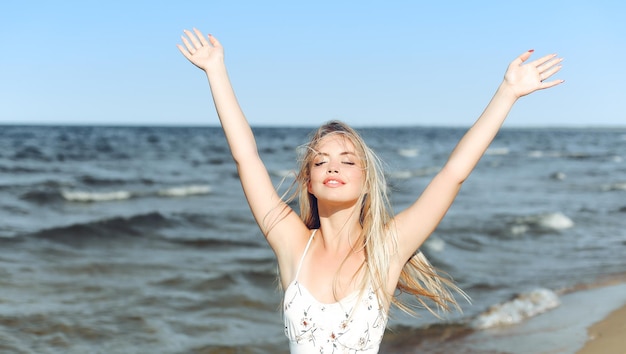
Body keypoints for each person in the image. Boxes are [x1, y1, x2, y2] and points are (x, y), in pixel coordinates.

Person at [177, 28, 563, 353]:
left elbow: (452, 174)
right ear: (307, 181)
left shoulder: (387, 247)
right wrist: (216, 70)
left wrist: (507, 93)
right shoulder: (293, 244)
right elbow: (247, 159)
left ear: (367, 182)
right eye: (320, 160)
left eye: (347, 161)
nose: (332, 166)